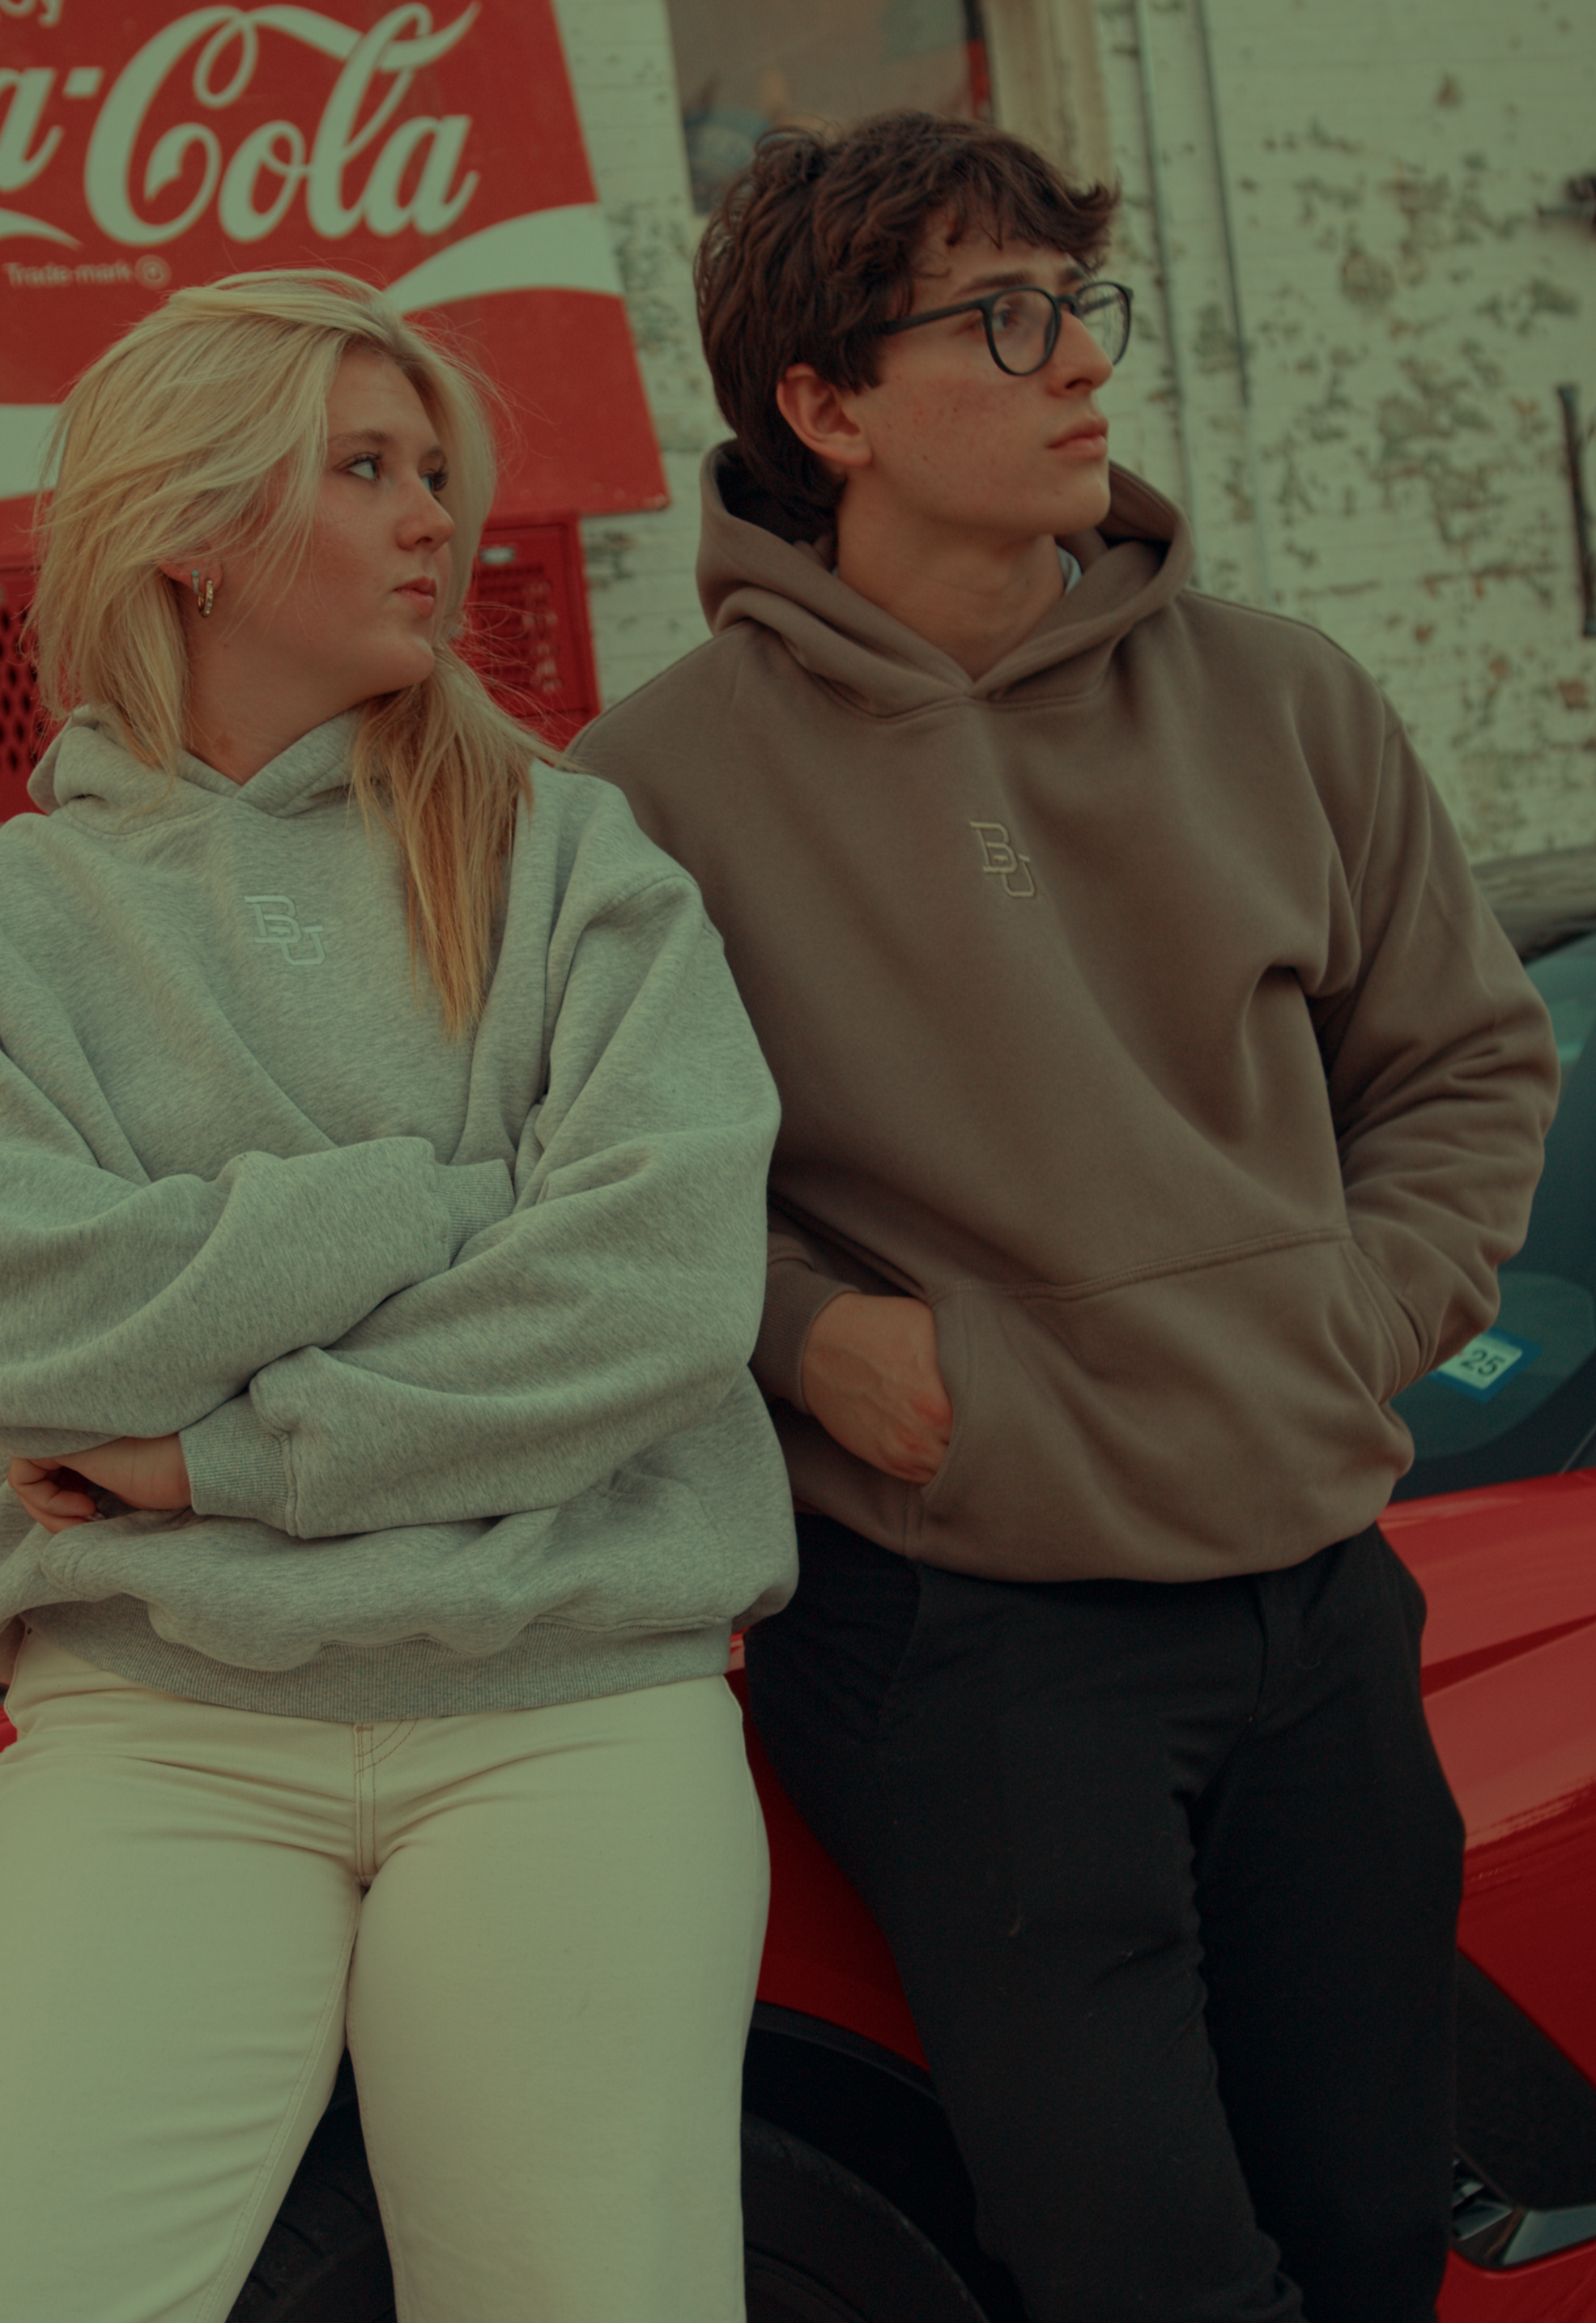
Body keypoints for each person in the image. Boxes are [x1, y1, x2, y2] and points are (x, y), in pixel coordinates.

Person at [572, 112, 1560, 2323]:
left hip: (1311, 1593)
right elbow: (582, 1189)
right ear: (821, 408)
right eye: (994, 319)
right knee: (1137, 2276)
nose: (1073, 364)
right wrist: (807, 1331)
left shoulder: (1280, 693)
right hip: (968, 1643)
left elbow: (1464, 1062)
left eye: (1074, 304)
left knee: (1377, 2233)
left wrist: (1344, 1312)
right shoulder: (640, 794)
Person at [0, 268, 794, 2323]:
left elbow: (654, 1293)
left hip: (568, 1720)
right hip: (156, 1736)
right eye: (364, 469)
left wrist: (212, 1456)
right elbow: (13, 1334)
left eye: (434, 469)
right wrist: (425, 1201)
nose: (430, 518)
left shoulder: (567, 862)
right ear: (187, 522)